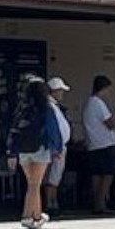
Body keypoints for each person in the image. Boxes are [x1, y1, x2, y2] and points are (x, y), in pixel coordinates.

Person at [6, 77, 64, 229]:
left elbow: (13, 129)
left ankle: (27, 214)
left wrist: (11, 150)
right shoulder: (46, 107)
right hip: (40, 148)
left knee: (30, 183)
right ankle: (35, 216)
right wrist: (57, 148)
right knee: (35, 184)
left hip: (23, 150)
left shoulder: (22, 108)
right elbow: (53, 129)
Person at [83, 74, 115, 214]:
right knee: (108, 173)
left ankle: (96, 203)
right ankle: (101, 201)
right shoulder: (99, 103)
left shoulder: (88, 104)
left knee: (96, 174)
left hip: (93, 144)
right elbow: (110, 124)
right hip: (105, 143)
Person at [44, 76, 73, 216]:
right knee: (52, 176)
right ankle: (50, 203)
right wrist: (56, 147)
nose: (62, 94)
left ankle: (52, 201)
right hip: (56, 148)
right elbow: (52, 128)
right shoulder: (49, 106)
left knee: (55, 176)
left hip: (59, 146)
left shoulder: (54, 106)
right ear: (54, 91)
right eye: (60, 91)